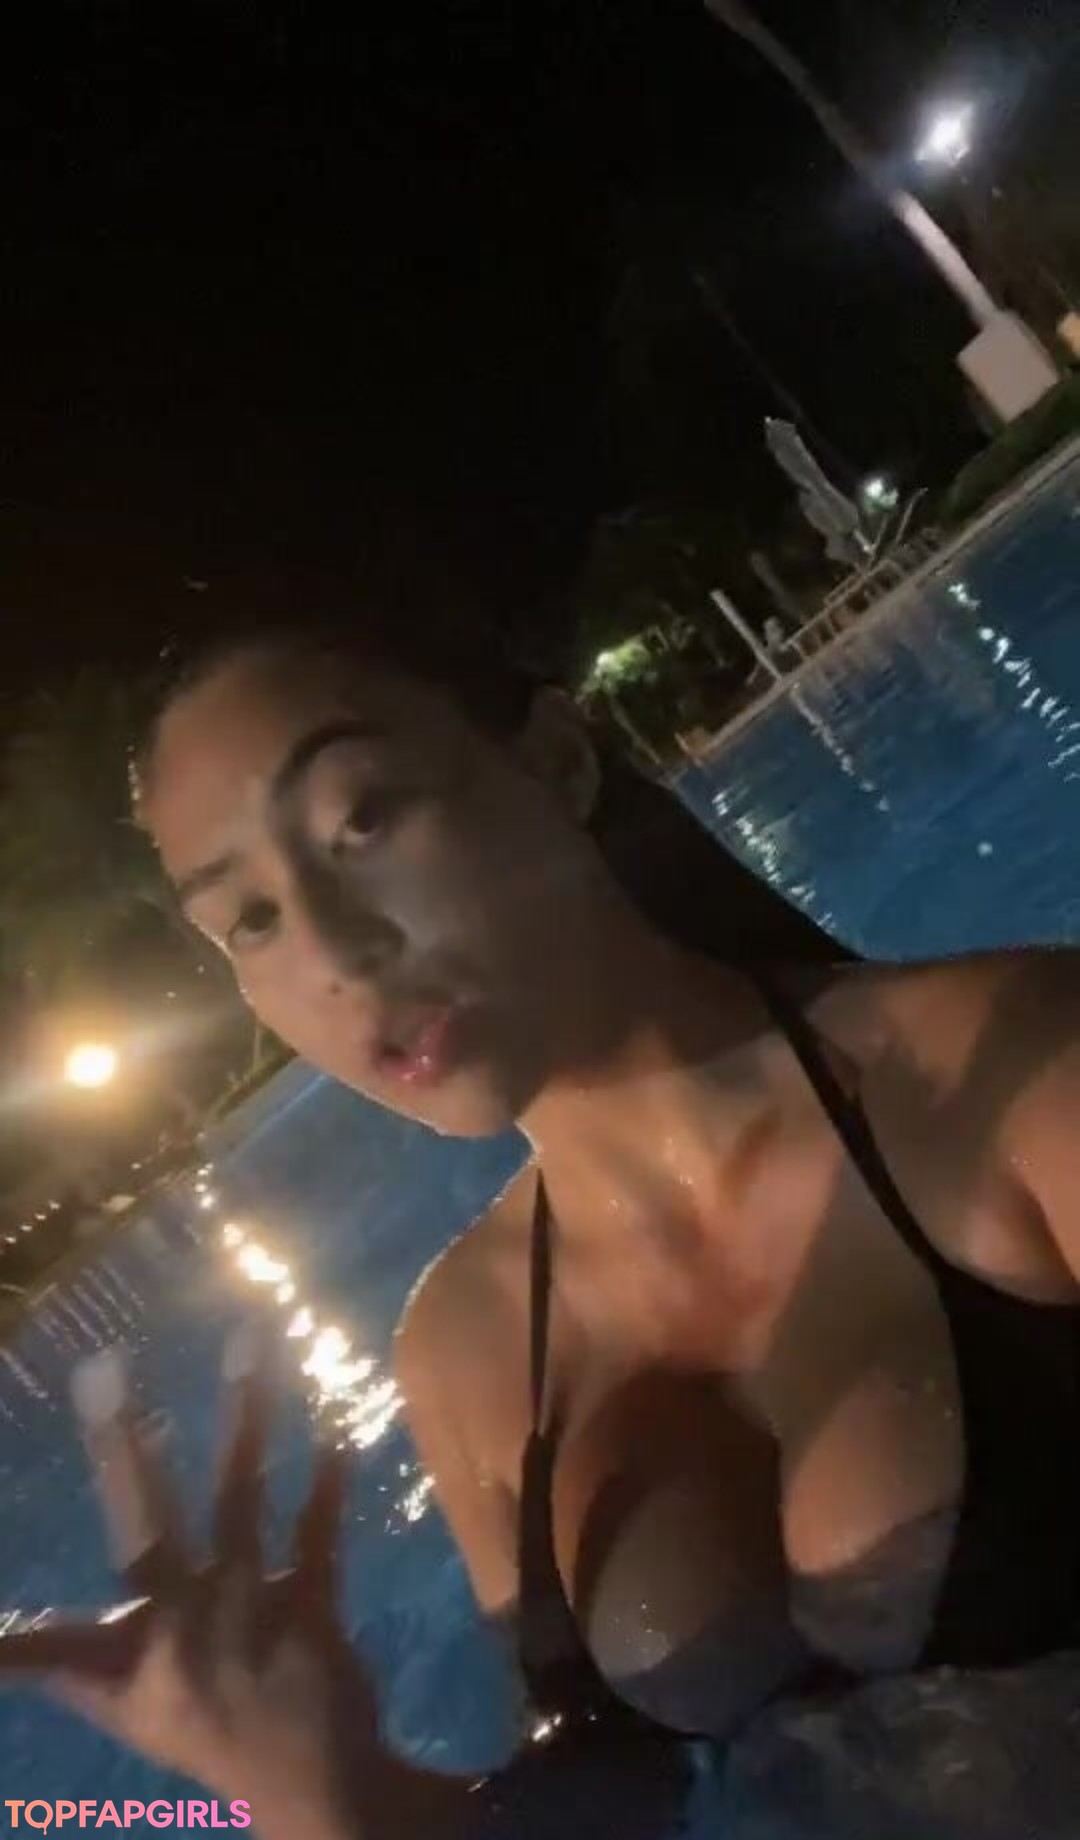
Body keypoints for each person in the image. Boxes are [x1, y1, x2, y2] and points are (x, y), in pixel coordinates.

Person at [4, 610, 1080, 1837]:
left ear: (557, 763)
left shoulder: (1014, 1077)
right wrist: (335, 1798)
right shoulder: (466, 1350)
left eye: (364, 817)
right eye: (251, 918)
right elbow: (614, 1809)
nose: (339, 951)